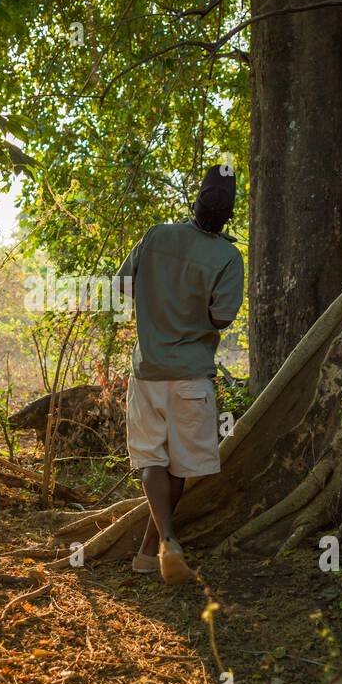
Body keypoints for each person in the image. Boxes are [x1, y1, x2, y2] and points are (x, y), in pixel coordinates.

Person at [115, 165, 243, 585]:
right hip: (191, 376)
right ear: (229, 214)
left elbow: (122, 286)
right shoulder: (227, 256)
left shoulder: (157, 236)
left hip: (147, 370)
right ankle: (164, 542)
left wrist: (159, 297)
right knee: (179, 465)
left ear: (196, 197)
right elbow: (221, 317)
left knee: (153, 458)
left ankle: (154, 549)